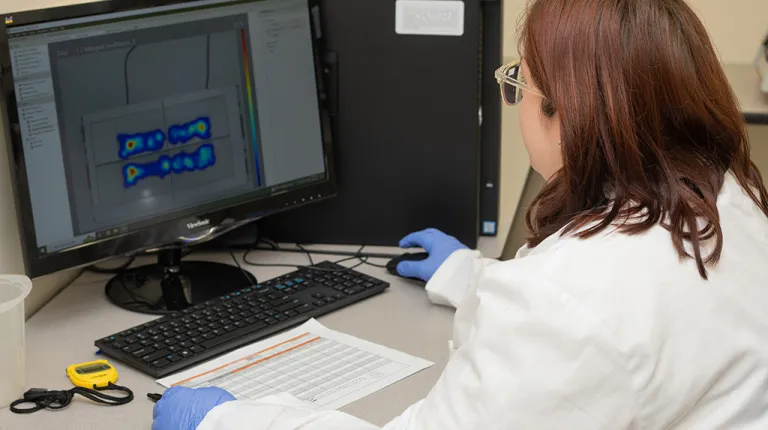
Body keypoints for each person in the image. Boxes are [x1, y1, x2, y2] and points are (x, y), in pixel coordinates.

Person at [152, 0, 768, 428]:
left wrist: (223, 420)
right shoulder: (730, 198)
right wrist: (474, 278)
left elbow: (581, 319)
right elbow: (624, 321)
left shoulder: (569, 301)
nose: (513, 100)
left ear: (568, 112)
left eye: (518, 84)